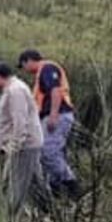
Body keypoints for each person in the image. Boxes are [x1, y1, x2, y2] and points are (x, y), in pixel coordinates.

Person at [0, 61, 47, 213]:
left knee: (16, 185)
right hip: (26, 144)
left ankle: (8, 218)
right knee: (36, 183)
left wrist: (14, 146)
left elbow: (20, 121)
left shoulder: (15, 91)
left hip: (24, 146)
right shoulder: (11, 89)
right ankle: (50, 214)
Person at [18, 49, 80, 198]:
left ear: (28, 60)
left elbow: (55, 91)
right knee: (50, 152)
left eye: (23, 66)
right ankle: (56, 188)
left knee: (48, 152)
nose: (25, 70)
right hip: (54, 116)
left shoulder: (47, 68)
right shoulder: (42, 73)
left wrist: (53, 115)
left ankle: (71, 185)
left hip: (58, 116)